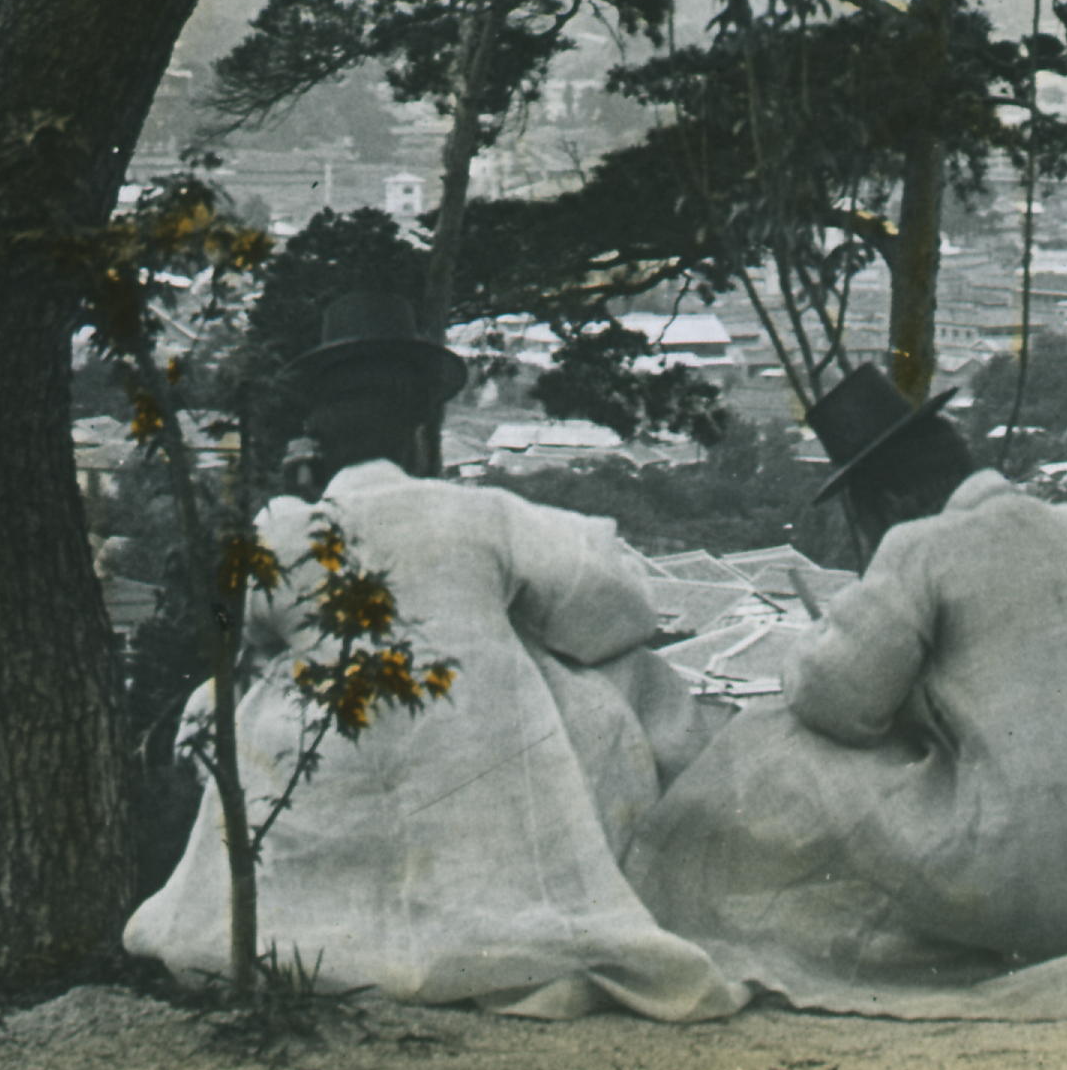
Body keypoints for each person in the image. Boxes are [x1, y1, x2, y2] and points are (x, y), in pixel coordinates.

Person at [121, 292, 743, 1020]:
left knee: (230, 697)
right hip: (477, 775)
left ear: (315, 436)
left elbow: (244, 628)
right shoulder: (482, 514)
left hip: (318, 776)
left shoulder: (286, 532)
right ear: (422, 427)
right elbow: (614, 607)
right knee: (610, 682)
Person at [625, 364, 1067, 1018]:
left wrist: (829, 649)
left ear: (885, 503)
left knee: (772, 741)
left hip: (1006, 881)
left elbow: (838, 703)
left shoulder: (919, 546)